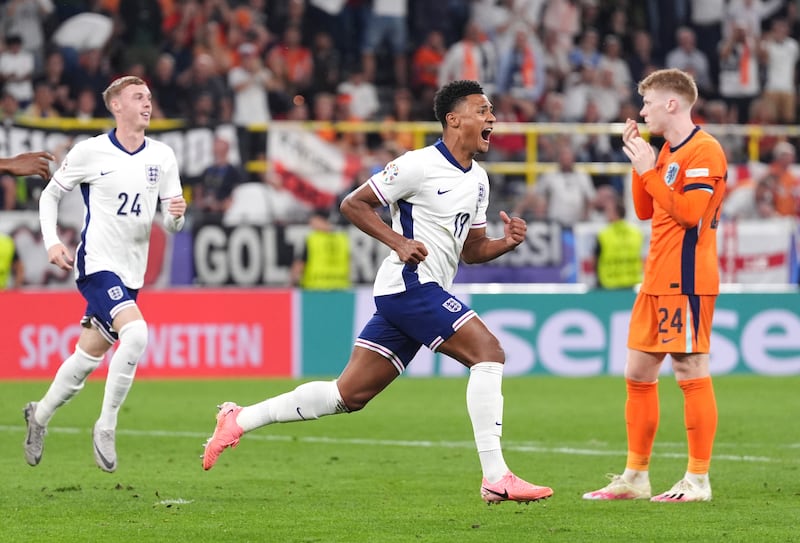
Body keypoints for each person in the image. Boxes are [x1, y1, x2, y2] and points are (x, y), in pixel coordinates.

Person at [202, 79, 553, 505]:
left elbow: (472, 251)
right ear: (453, 119)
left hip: (418, 291)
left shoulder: (479, 180)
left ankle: (239, 419)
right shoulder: (417, 165)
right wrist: (399, 243)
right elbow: (352, 203)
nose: (492, 118)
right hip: (409, 285)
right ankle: (496, 476)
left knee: (347, 395)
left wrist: (506, 243)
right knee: (490, 353)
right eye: (483, 110)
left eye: (491, 111)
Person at [23, 75, 187, 473]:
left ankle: (38, 416)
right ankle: (106, 426)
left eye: (149, 97)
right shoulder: (90, 152)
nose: (147, 103)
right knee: (138, 333)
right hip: (97, 264)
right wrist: (51, 242)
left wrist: (175, 217)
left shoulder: (162, 156)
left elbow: (171, 225)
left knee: (86, 357)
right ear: (116, 106)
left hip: (132, 273)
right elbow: (50, 195)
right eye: (138, 97)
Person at [583, 68, 727, 502]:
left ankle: (698, 480)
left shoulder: (704, 151)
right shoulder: (666, 151)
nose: (641, 110)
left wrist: (649, 169)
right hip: (655, 280)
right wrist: (640, 160)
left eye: (647, 103)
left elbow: (689, 214)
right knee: (638, 373)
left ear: (672, 103)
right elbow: (646, 210)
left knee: (689, 370)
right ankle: (635, 477)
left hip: (685, 280)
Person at [290, 208, 351, 290]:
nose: (311, 224)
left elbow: (300, 264)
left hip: (315, 287)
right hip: (340, 286)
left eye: (313, 221)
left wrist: (293, 282)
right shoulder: (342, 238)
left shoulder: (312, 239)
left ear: (320, 220)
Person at [593, 195, 644, 289]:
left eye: (609, 211)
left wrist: (597, 281)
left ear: (615, 213)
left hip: (609, 283)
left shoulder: (604, 234)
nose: (607, 214)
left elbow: (595, 259)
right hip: (633, 282)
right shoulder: (636, 233)